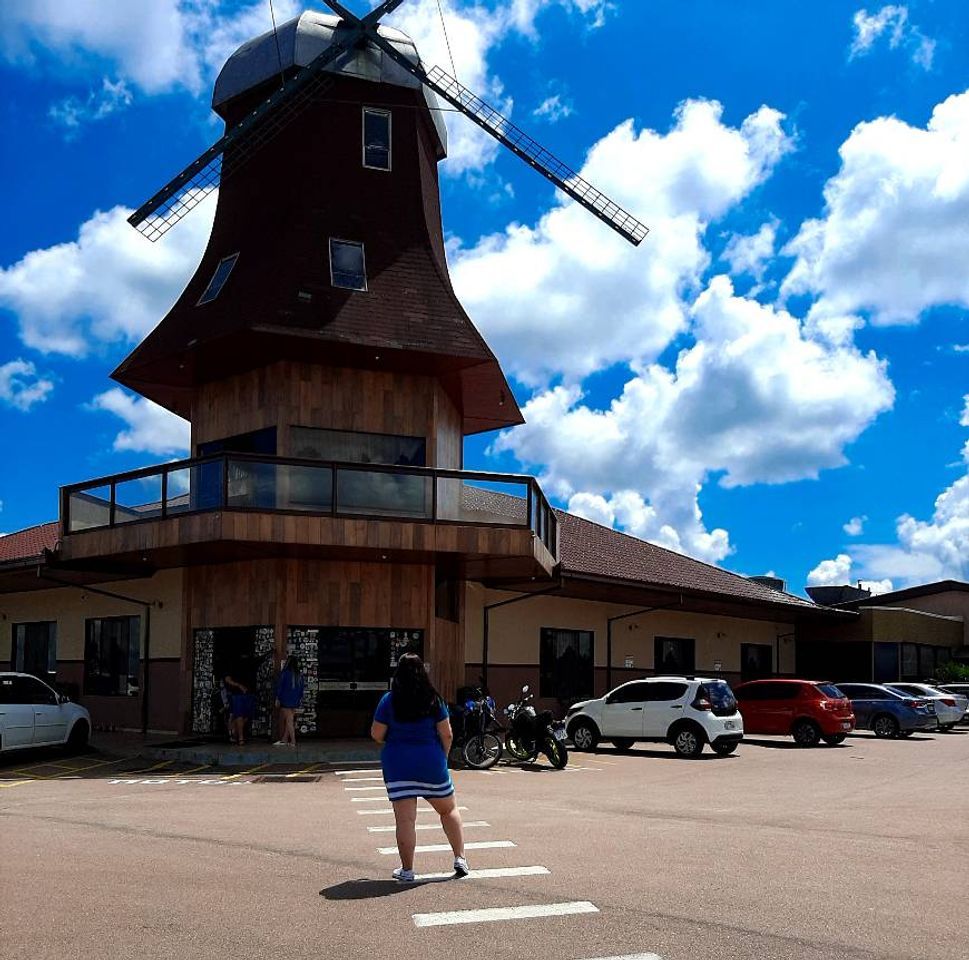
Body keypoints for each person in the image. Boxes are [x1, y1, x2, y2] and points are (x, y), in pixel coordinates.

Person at [371, 653, 468, 882]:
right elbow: (447, 733)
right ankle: (460, 858)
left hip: (398, 765)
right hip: (431, 762)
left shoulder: (389, 700)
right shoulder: (434, 699)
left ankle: (407, 870)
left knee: (405, 821)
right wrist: (442, 757)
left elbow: (376, 734)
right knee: (448, 810)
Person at [274, 655, 305, 747]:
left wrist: (277, 698)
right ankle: (284, 739)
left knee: (289, 720)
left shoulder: (285, 673)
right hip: (295, 700)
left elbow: (280, 687)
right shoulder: (299, 675)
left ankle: (293, 741)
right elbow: (301, 690)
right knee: (290, 719)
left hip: (285, 699)